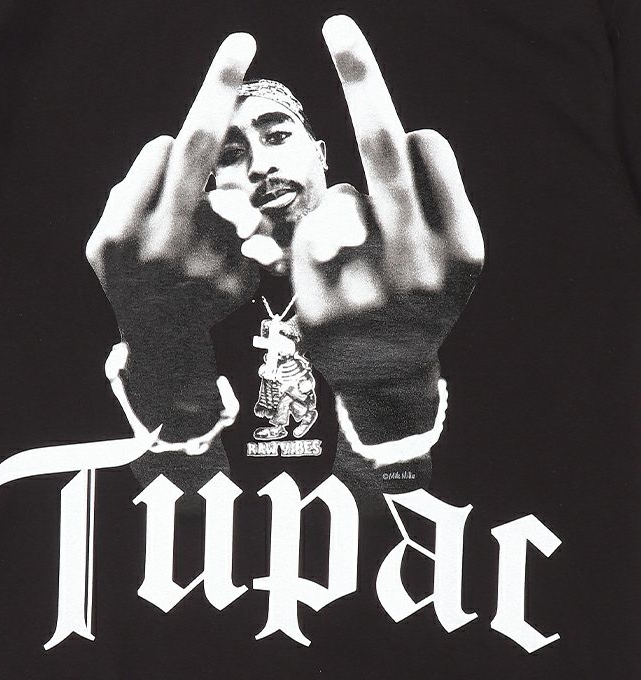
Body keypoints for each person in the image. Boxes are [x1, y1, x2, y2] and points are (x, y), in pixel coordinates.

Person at [85, 16, 484, 502]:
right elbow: (177, 509)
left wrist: (392, 399)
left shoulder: (421, 276)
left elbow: (406, 511)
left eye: (276, 136)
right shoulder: (185, 298)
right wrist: (163, 362)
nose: (260, 166)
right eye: (230, 155)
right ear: (212, 185)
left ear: (321, 154)